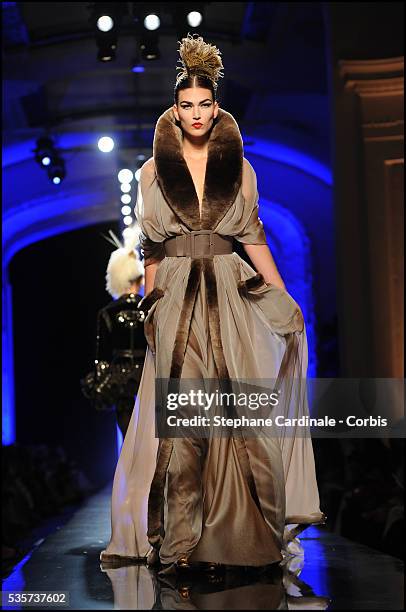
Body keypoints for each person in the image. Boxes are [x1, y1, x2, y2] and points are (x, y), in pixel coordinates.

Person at [100, 33, 325, 573]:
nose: (196, 114)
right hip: (176, 295)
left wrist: (285, 297)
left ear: (215, 106)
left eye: (204, 105)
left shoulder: (241, 170)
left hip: (230, 292)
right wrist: (151, 302)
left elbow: (254, 240)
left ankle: (241, 536)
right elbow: (152, 247)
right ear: (174, 110)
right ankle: (179, 541)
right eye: (186, 106)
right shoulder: (154, 171)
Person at [81, 227, 147, 439]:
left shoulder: (106, 313)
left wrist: (100, 384)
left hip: (120, 381)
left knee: (129, 440)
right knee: (153, 439)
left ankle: (133, 471)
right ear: (139, 277)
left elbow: (102, 356)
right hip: (149, 374)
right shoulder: (150, 308)